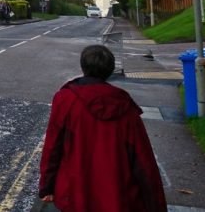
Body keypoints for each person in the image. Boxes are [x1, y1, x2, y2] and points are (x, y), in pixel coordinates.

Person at [39, 45, 166, 211]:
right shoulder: (125, 106)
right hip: (118, 196)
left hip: (75, 194)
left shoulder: (65, 99)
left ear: (83, 67)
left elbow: (53, 146)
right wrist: (155, 205)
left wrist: (47, 186)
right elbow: (143, 159)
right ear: (110, 70)